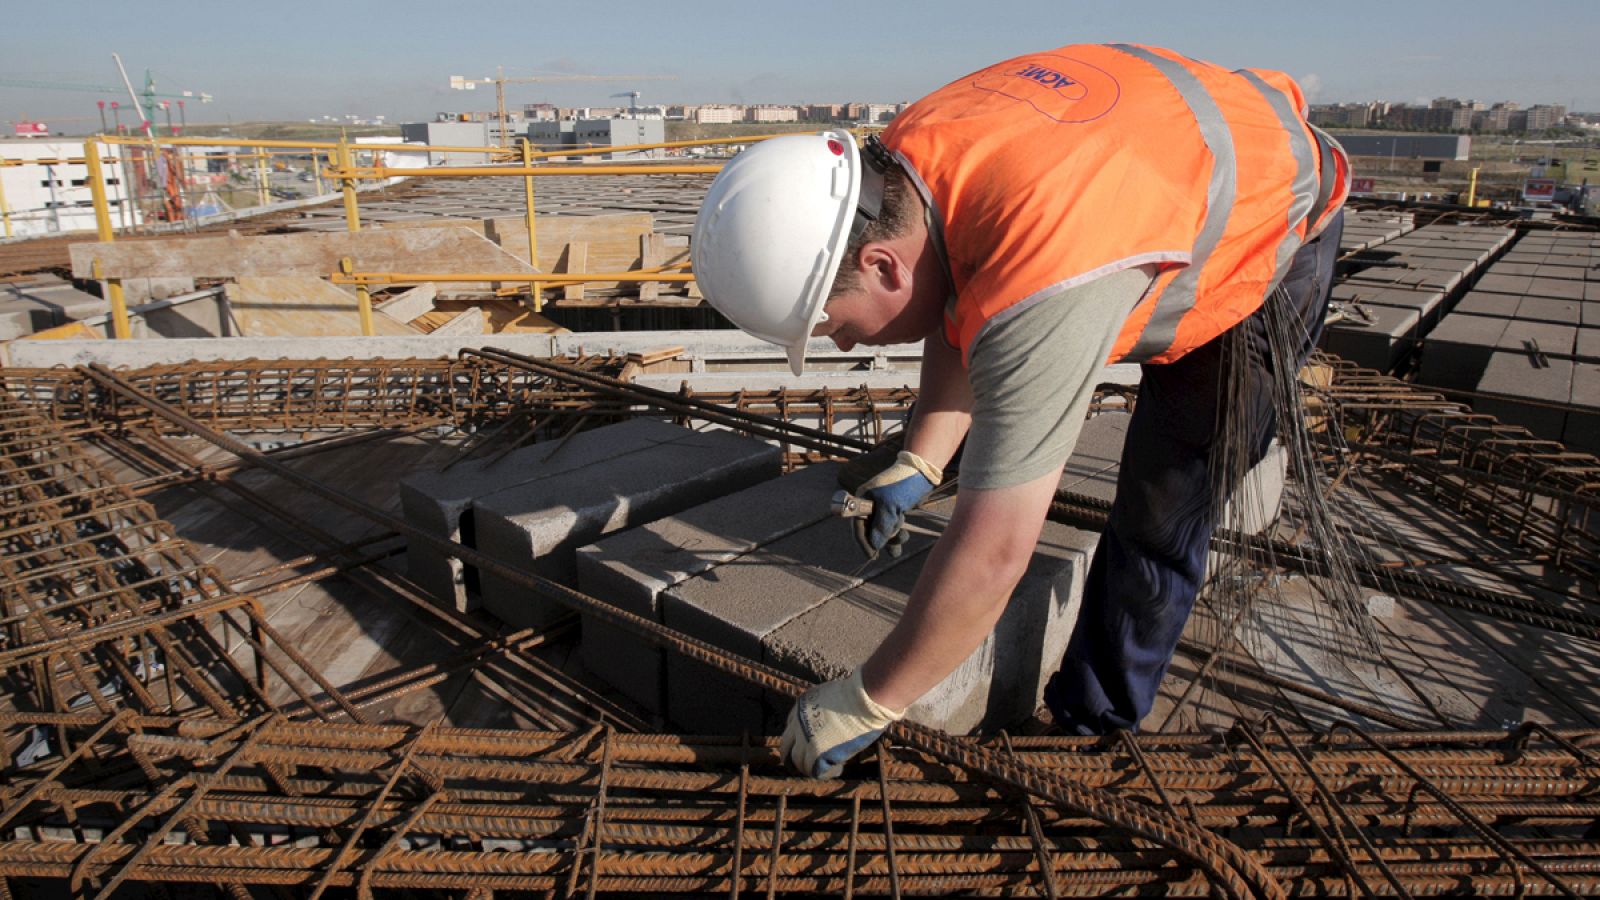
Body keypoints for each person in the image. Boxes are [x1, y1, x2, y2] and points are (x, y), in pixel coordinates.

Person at [691, 44, 1350, 778]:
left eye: (833, 324)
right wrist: (924, 454)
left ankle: (1092, 722)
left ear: (880, 265)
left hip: (1270, 227)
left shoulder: (1046, 280)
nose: (842, 342)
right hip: (1150, 184)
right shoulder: (905, 162)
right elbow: (954, 290)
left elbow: (997, 551)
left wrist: (871, 697)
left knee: (1164, 501)